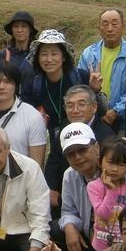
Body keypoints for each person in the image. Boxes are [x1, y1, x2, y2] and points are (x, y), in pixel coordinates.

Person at [21, 29, 90, 209]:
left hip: (81, 143)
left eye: (54, 53)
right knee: (54, 194)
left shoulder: (81, 77)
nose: (49, 59)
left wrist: (96, 91)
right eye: (44, 54)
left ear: (64, 56)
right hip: (54, 147)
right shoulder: (33, 86)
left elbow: (97, 107)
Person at [85, 135, 126, 251]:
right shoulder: (94, 186)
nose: (115, 169)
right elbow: (103, 213)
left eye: (121, 164)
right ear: (100, 161)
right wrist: (111, 190)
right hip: (101, 248)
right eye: (110, 162)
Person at [77, 9, 126, 133]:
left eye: (114, 24)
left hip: (123, 121)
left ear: (123, 26)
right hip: (93, 118)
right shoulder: (88, 54)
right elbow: (79, 86)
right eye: (105, 24)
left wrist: (116, 111)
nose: (110, 29)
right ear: (99, 28)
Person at [54, 123, 101, 251]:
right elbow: (68, 211)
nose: (77, 157)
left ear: (97, 147)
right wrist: (69, 226)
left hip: (116, 239)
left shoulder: (118, 169)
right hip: (88, 233)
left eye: (82, 150)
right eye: (71, 154)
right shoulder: (69, 174)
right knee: (55, 230)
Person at [0, 10, 37, 84]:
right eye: (15, 26)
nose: (19, 30)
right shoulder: (3, 55)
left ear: (30, 30)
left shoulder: (37, 55)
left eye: (24, 26)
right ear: (12, 30)